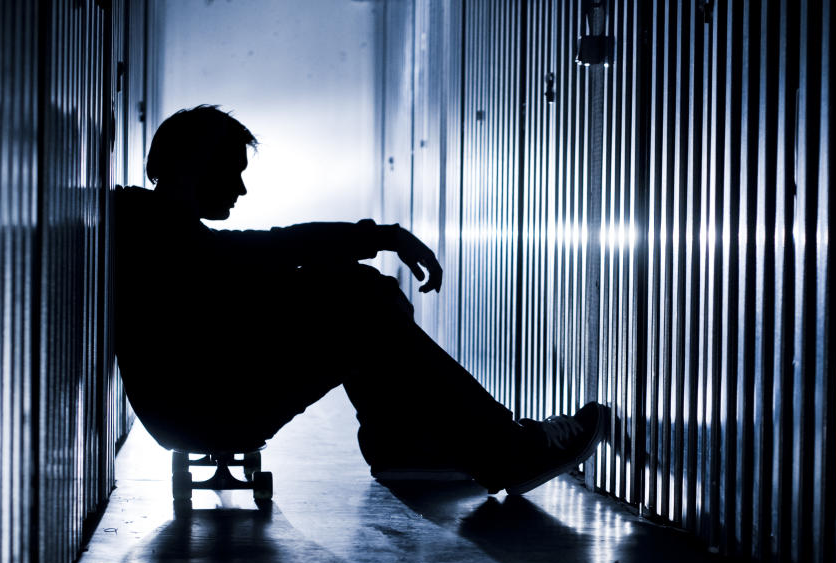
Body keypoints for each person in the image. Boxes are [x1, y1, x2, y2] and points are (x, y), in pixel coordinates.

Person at [113, 104, 603, 496]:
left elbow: (261, 259)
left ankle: (404, 451)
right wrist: (383, 240)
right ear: (194, 168)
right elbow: (269, 249)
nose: (241, 188)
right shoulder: (158, 234)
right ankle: (504, 451)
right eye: (232, 172)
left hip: (197, 400)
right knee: (361, 301)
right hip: (203, 408)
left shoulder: (154, 226)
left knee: (358, 294)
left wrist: (363, 264)